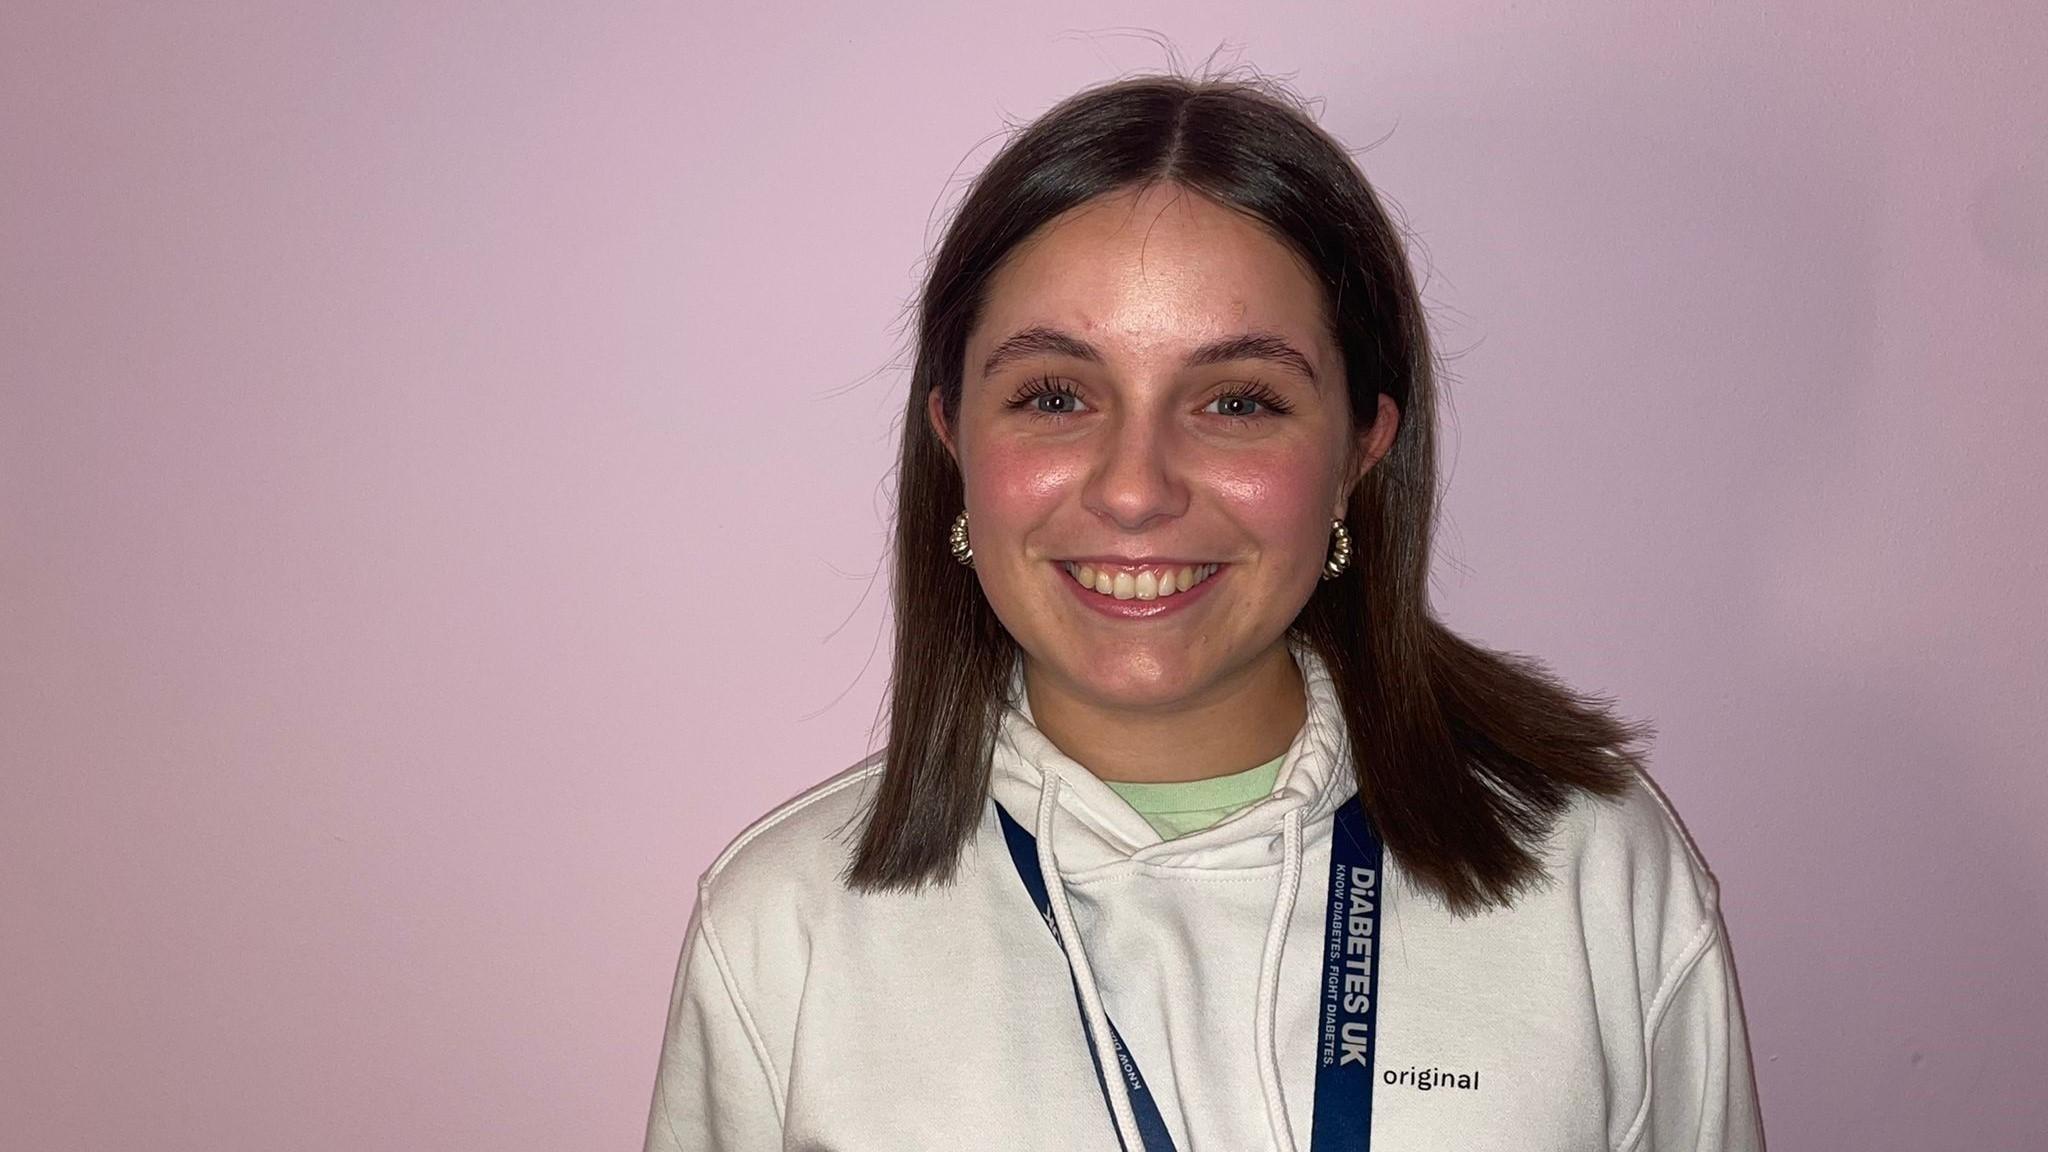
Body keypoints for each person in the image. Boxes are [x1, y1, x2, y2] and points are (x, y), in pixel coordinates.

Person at [645, 71, 1764, 1151]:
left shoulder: (1587, 871)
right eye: (1053, 396)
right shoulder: (781, 930)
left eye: (1236, 400)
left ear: (1358, 452)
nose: (1135, 487)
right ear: (952, 439)